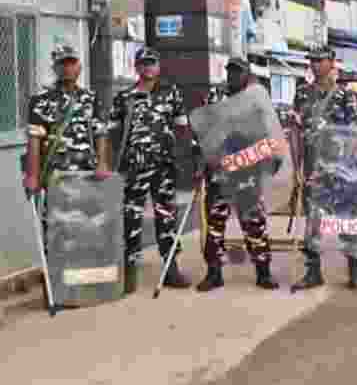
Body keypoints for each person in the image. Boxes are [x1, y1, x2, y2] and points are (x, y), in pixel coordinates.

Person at [23, 44, 113, 306]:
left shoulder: (89, 98)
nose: (68, 67)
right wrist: (32, 174)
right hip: (56, 176)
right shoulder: (41, 100)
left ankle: (80, 287)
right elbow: (35, 140)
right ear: (55, 67)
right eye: (62, 63)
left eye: (72, 62)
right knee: (56, 231)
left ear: (79, 66)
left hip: (85, 174)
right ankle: (56, 290)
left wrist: (103, 164)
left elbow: (101, 133)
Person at [193, 58, 281, 292]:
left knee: (254, 222)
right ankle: (214, 273)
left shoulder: (256, 100)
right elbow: (201, 132)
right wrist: (201, 160)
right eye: (230, 72)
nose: (233, 76)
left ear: (247, 75)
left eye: (238, 72)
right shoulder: (215, 97)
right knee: (214, 225)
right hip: (219, 174)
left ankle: (263, 272)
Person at [110, 47, 193, 293]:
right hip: (135, 167)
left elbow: (182, 129)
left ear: (159, 67)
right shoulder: (124, 97)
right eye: (143, 63)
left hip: (164, 167)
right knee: (131, 216)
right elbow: (113, 132)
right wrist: (117, 161)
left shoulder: (171, 94)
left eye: (152, 63)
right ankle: (130, 269)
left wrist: (184, 157)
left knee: (166, 215)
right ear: (136, 67)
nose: (147, 68)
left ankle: (170, 267)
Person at [290, 45, 357, 292]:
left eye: (319, 60)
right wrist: (297, 167)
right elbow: (297, 133)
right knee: (313, 223)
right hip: (314, 169)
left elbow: (355, 135)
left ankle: (354, 270)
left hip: (340, 168)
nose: (314, 65)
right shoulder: (302, 94)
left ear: (331, 62)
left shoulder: (345, 96)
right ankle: (313, 272)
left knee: (347, 221)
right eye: (311, 60)